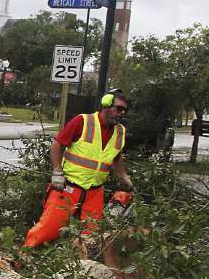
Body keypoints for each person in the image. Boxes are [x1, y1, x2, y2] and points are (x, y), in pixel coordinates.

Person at [23, 90, 134, 248]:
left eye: (125, 110)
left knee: (91, 236)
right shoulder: (83, 121)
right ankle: (22, 258)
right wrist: (57, 171)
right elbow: (57, 145)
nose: (122, 113)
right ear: (106, 105)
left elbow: (116, 156)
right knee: (48, 229)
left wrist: (123, 176)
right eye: (119, 108)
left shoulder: (120, 131)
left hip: (95, 191)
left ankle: (79, 266)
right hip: (68, 187)